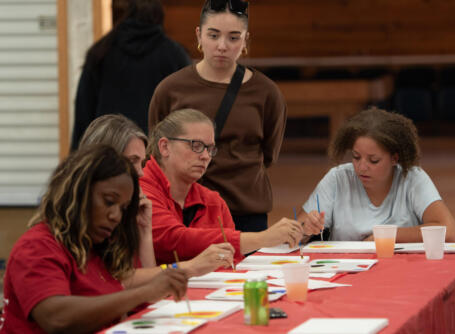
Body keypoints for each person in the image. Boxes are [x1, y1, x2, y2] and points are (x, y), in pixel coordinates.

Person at [0, 145, 188, 333]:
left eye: (123, 209)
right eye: (108, 201)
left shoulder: (98, 249)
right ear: (79, 192)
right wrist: (143, 292)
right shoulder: (37, 247)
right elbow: (56, 318)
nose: (116, 216)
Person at [149, 0, 286, 233]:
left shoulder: (266, 92)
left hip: (246, 212)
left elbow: (269, 154)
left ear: (245, 40)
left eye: (233, 37)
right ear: (199, 35)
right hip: (188, 209)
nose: (222, 46)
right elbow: (155, 153)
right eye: (213, 36)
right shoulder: (170, 89)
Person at [78, 114, 236, 276]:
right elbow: (116, 282)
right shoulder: (70, 223)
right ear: (100, 161)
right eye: (132, 161)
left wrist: (145, 231)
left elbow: (147, 280)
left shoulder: (131, 209)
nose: (140, 172)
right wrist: (192, 267)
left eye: (210, 149)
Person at [141, 109, 303, 264]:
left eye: (210, 149)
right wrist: (263, 238)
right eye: (196, 145)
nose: (205, 156)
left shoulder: (213, 202)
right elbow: (173, 240)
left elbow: (232, 264)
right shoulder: (140, 190)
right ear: (164, 147)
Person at [298, 107, 455, 242]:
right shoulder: (337, 178)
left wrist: (384, 237)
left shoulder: (413, 178)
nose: (361, 167)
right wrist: (306, 229)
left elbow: (448, 231)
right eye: (356, 157)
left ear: (395, 158)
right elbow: (297, 232)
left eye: (373, 160)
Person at [71, 0, 191, 150]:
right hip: (157, 157)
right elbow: (189, 116)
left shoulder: (100, 53)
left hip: (108, 156)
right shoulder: (175, 56)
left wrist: (77, 160)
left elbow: (83, 118)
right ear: (159, 15)